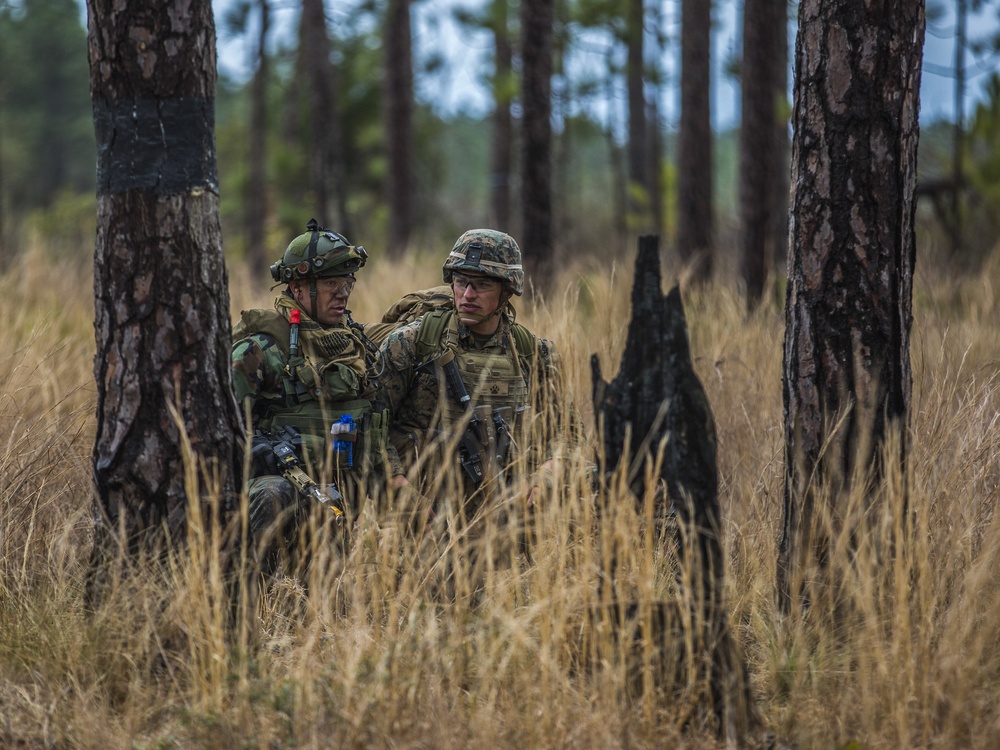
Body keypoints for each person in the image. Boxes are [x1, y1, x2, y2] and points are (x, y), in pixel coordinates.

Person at [232, 219, 397, 573]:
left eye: (347, 282)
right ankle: (246, 599)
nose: (343, 293)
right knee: (273, 493)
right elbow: (222, 434)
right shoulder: (259, 350)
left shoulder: (354, 346)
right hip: (277, 490)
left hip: (337, 494)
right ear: (297, 287)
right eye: (330, 283)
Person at [377, 229, 565, 516]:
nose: (467, 295)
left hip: (510, 511)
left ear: (507, 290)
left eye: (481, 285)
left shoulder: (534, 353)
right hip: (425, 513)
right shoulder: (412, 343)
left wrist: (546, 477)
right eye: (461, 281)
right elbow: (370, 424)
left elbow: (568, 433)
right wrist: (401, 490)